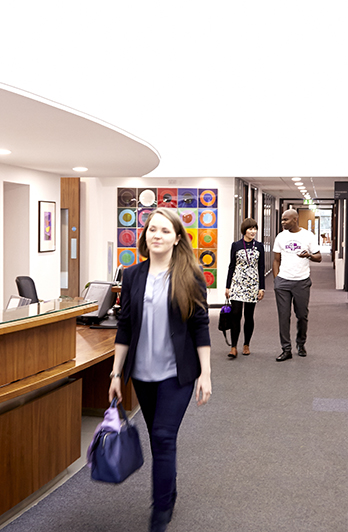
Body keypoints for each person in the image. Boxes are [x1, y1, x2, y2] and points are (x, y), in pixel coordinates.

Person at [108, 208, 212, 532]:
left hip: (176, 374)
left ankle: (160, 511)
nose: (157, 235)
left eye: (165, 231)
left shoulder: (189, 276)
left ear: (177, 238)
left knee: (165, 436)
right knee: (158, 438)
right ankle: (170, 489)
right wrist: (115, 373)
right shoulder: (132, 274)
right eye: (152, 229)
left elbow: (200, 326)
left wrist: (206, 374)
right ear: (145, 236)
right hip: (142, 373)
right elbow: (124, 326)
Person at [273, 209, 321, 361]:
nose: (283, 222)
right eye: (282, 219)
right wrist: (276, 280)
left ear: (295, 219)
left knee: (302, 315)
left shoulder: (308, 236)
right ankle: (286, 349)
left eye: (286, 220)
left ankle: (301, 343)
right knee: (283, 316)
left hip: (302, 282)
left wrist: (309, 256)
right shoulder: (280, 237)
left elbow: (319, 257)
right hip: (283, 282)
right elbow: (276, 260)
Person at [224, 218, 265, 359]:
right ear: (244, 230)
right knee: (235, 315)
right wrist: (228, 286)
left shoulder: (259, 246)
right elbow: (232, 266)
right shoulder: (236, 245)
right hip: (237, 283)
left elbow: (261, 267)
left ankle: (246, 344)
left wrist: (262, 288)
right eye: (250, 229)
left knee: (249, 315)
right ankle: (233, 346)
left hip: (252, 284)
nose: (253, 231)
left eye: (255, 228)